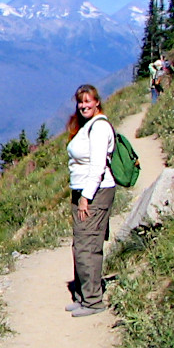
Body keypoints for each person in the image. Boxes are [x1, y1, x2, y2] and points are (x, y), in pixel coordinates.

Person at [66, 84, 116, 317]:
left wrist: (86, 197)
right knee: (80, 244)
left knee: (88, 245)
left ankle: (93, 301)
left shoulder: (99, 128)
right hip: (82, 191)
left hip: (94, 193)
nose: (84, 105)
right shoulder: (88, 126)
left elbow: (98, 167)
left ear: (97, 102)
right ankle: (83, 296)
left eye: (88, 101)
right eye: (80, 102)